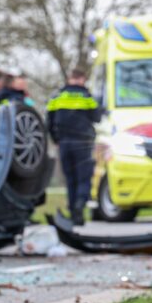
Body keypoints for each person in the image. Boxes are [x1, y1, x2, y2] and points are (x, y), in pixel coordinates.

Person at [46, 67, 101, 225]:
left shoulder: (57, 96)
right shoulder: (87, 96)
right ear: (82, 79)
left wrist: (55, 139)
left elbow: (48, 121)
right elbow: (97, 117)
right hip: (83, 143)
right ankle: (79, 206)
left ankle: (73, 213)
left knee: (70, 179)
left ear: (69, 79)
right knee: (83, 178)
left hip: (64, 143)